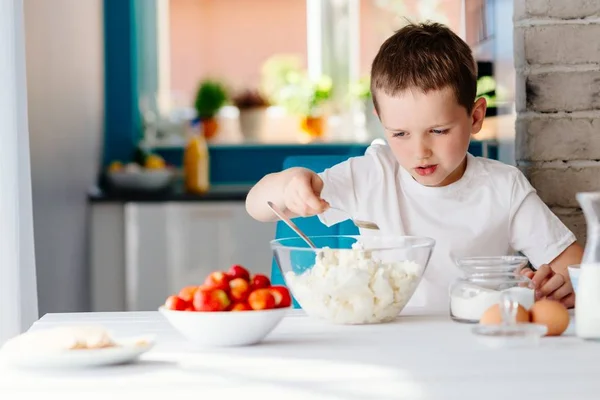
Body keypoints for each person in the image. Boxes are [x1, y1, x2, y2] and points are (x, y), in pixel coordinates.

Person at [245, 22, 582, 312]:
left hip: (474, 343)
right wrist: (290, 183)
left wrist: (560, 285)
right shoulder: (371, 175)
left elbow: (575, 267)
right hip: (387, 341)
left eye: (438, 131)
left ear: (475, 117)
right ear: (382, 123)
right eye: (400, 133)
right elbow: (257, 206)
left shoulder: (504, 188)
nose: (420, 151)